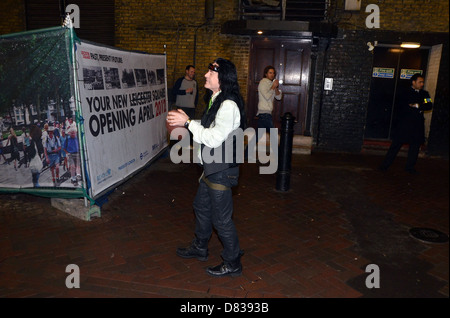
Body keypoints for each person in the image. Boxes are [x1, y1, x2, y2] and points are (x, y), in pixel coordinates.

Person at [167, 58, 246, 277]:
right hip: (211, 168)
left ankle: (233, 262)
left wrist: (188, 123)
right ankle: (200, 247)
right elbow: (209, 128)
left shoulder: (228, 105)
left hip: (221, 171)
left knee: (221, 219)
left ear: (221, 78)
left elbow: (213, 138)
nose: (204, 75)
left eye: (210, 73)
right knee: (200, 206)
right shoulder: (217, 99)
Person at [378, 73, 433, 174]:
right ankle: (385, 165)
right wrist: (417, 107)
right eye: (420, 82)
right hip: (405, 124)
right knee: (396, 145)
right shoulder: (405, 92)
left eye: (422, 82)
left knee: (415, 147)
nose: (422, 84)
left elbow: (429, 105)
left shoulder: (425, 94)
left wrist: (417, 106)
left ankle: (410, 167)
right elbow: (403, 106)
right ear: (413, 82)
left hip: (417, 125)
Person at [256, 65, 282, 142]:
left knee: (258, 136)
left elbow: (279, 97)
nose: (272, 75)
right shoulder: (263, 83)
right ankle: (279, 153)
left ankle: (247, 153)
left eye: (273, 73)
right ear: (266, 74)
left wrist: (276, 88)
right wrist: (273, 87)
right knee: (274, 136)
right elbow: (267, 96)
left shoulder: (271, 84)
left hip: (267, 114)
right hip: (264, 114)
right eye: (270, 73)